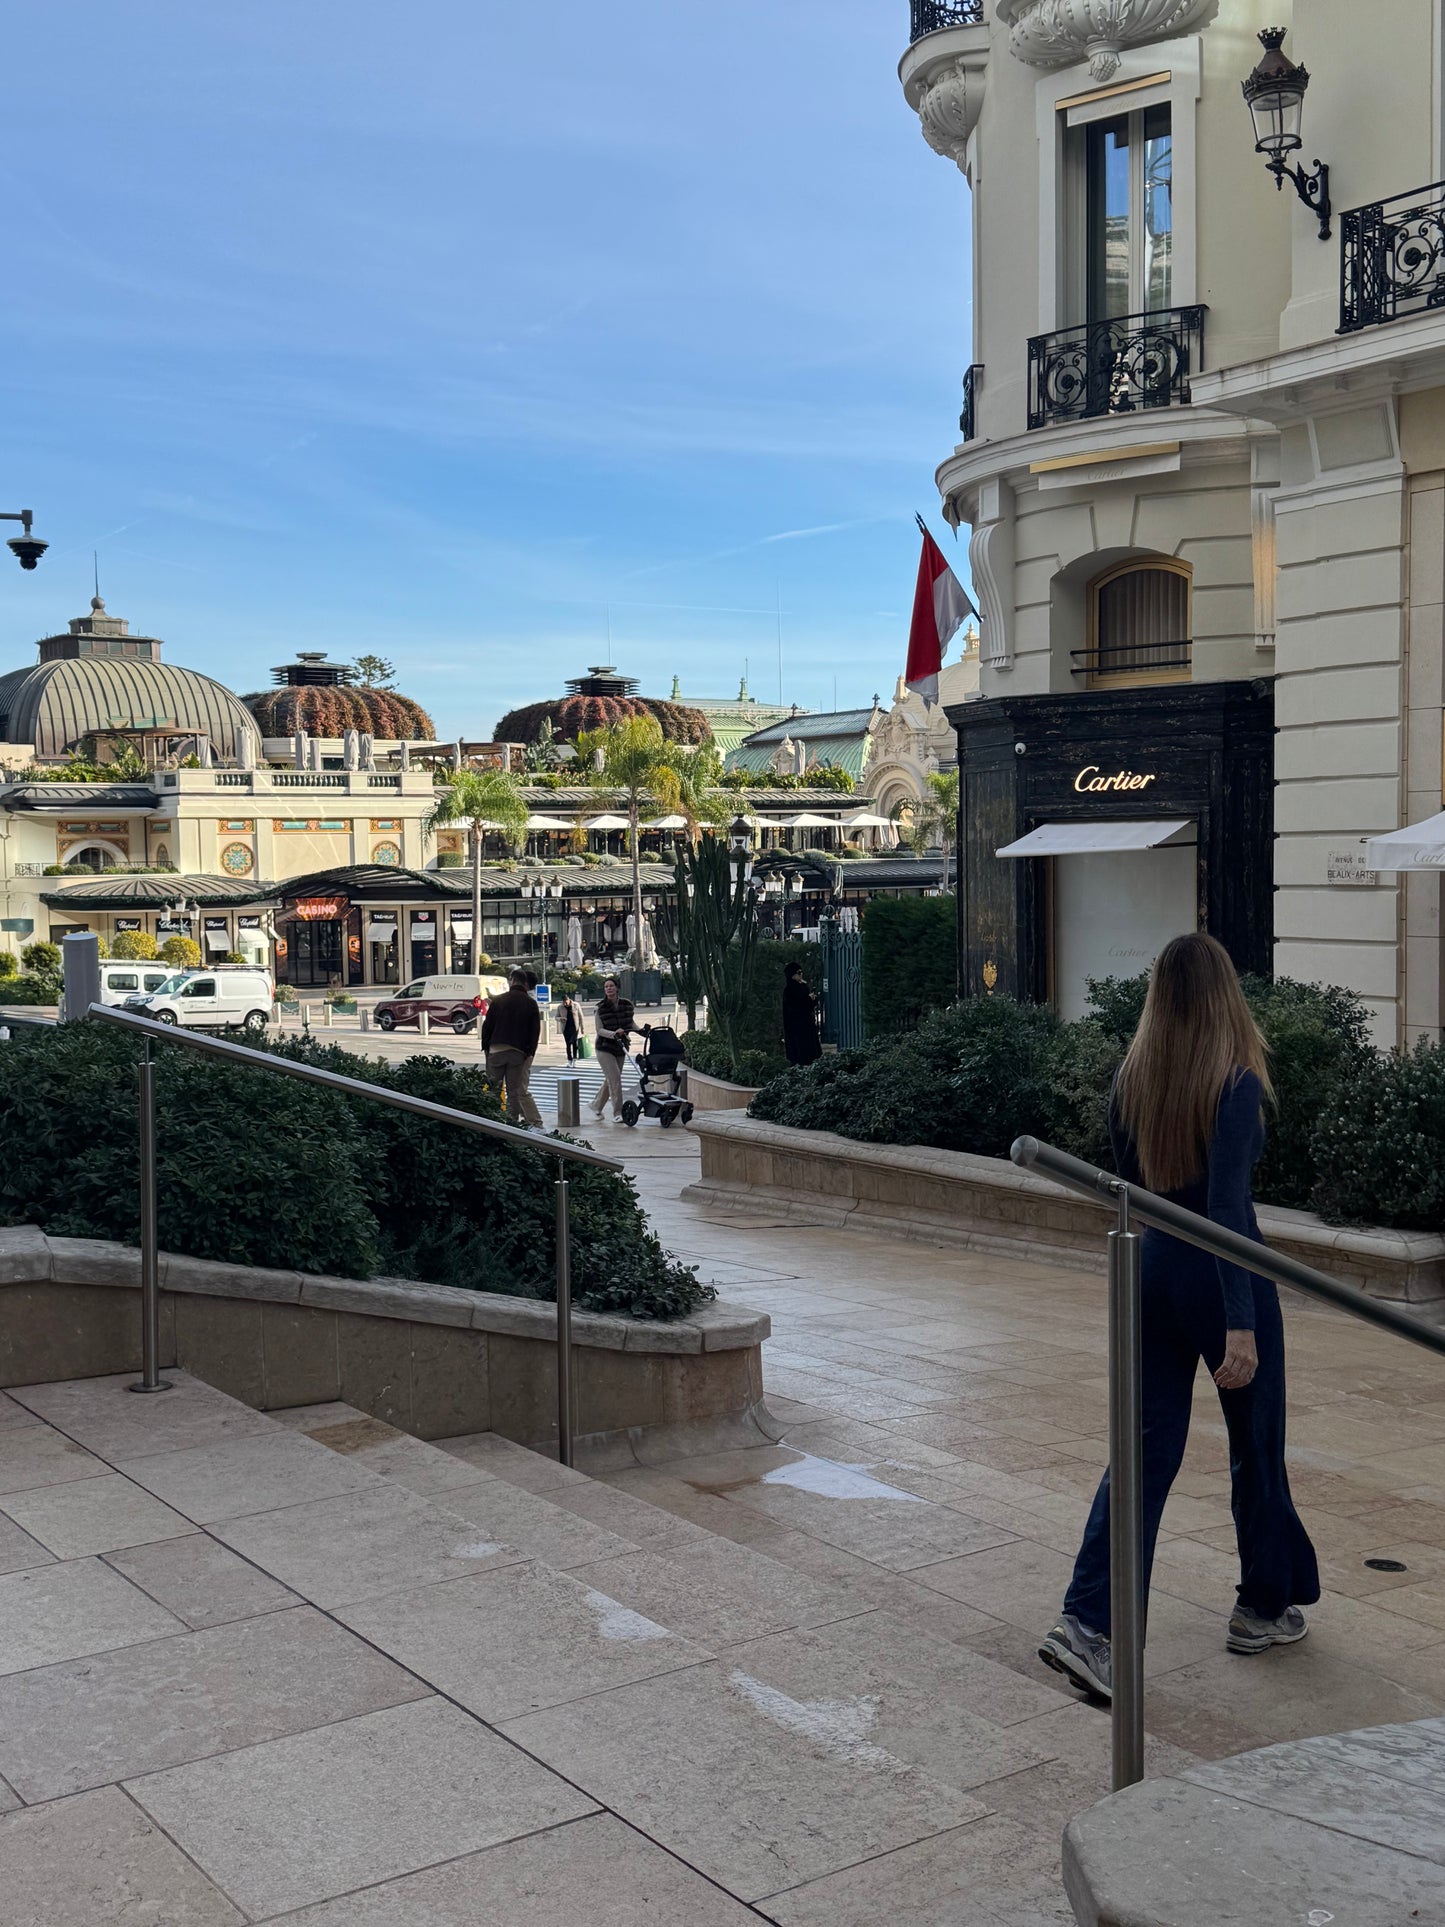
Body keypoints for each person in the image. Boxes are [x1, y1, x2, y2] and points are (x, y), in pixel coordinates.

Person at [1040, 932, 1319, 1701]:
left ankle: (1087, 1624)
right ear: (1225, 992)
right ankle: (1260, 1607)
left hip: (1152, 1272)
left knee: (1141, 1453)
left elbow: (1125, 1190)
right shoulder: (1233, 1082)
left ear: (1159, 996)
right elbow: (1226, 1207)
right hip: (1225, 1278)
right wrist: (1238, 1320)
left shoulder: (1132, 1077)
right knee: (1254, 1446)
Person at [480, 968, 543, 1126]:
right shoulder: (530, 1003)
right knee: (513, 1092)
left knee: (494, 1088)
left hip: (496, 1050)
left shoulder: (499, 1000)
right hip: (517, 1052)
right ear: (524, 983)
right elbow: (534, 1031)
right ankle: (511, 1124)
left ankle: (493, 1121)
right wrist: (529, 1052)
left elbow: (487, 1027)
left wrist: (486, 1048)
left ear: (512, 981)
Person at [589, 975, 634, 1121]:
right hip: (604, 1047)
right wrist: (614, 1034)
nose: (608, 988)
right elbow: (599, 1030)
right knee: (615, 1079)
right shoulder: (600, 1008)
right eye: (606, 986)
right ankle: (617, 1113)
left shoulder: (626, 1005)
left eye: (611, 986)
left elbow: (630, 1023)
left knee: (612, 1079)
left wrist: (642, 1031)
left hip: (620, 1047)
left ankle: (596, 1105)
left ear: (617, 988)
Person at [782, 961, 821, 1066]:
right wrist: (807, 1000)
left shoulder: (803, 987)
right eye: (799, 972)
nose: (801, 974)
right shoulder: (788, 990)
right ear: (792, 975)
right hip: (796, 1027)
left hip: (807, 1024)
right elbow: (794, 1007)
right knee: (799, 1053)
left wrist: (812, 999)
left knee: (811, 1050)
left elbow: (808, 1004)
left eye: (801, 972)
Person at [559, 994, 580, 1064]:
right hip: (566, 1028)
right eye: (564, 1002)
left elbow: (581, 1016)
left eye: (566, 1002)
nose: (565, 1003)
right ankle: (569, 1059)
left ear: (569, 1000)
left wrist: (582, 1027)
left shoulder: (576, 1005)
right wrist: (560, 1018)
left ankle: (574, 1058)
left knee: (574, 1043)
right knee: (568, 1044)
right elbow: (556, 1017)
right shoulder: (560, 1007)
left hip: (575, 1028)